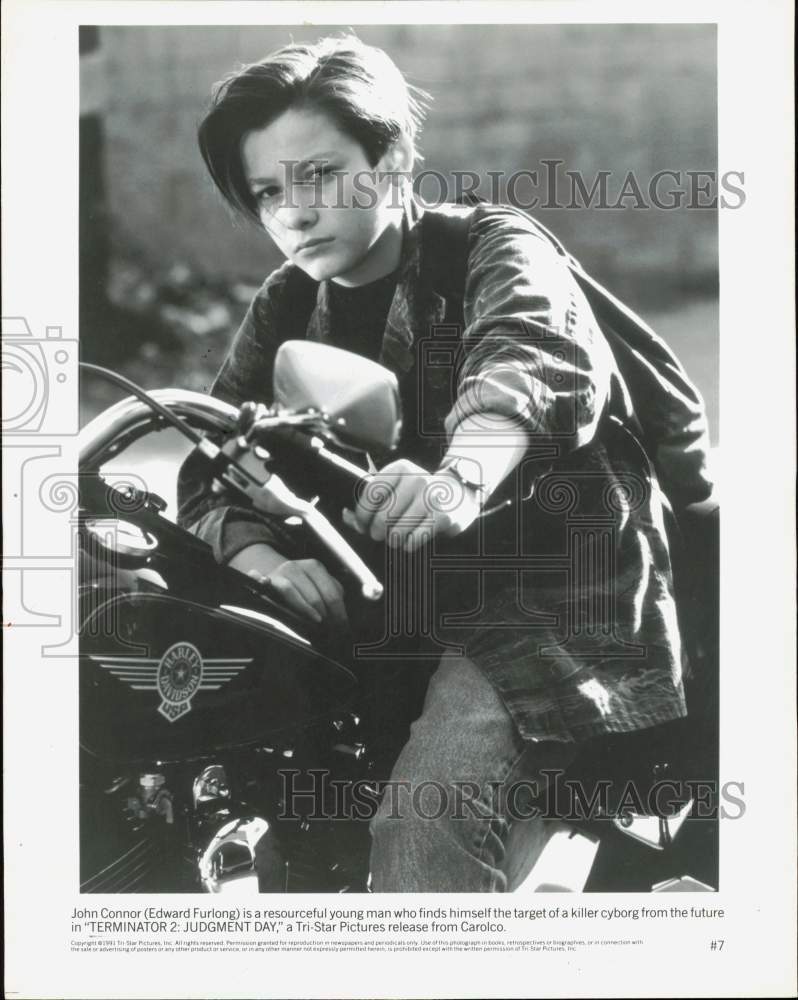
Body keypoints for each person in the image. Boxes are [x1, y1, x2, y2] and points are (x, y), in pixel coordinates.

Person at [177, 34, 690, 892]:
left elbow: (526, 363)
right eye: (268, 191)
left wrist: (460, 477)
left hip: (543, 601)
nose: (294, 214)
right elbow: (217, 447)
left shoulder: (489, 245)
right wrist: (257, 551)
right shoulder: (291, 301)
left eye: (320, 176)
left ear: (395, 157)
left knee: (425, 820)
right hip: (391, 603)